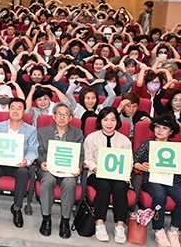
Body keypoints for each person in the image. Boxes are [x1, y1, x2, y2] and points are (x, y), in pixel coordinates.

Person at [0, 98, 39, 228]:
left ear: (24, 111)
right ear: (8, 110)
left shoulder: (31, 130)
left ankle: (17, 208)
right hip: (1, 163)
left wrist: (27, 160)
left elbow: (33, 151)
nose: (15, 111)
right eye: (12, 108)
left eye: (19, 108)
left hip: (18, 165)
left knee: (23, 173)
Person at [36, 102, 84, 238]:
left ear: (70, 118)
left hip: (68, 170)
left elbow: (80, 155)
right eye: (59, 114)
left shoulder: (78, 133)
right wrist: (41, 163)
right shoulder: (42, 132)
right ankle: (46, 219)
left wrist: (78, 168)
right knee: (47, 181)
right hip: (48, 169)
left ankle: (65, 222)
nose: (62, 117)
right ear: (54, 116)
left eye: (66, 115)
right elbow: (38, 152)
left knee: (69, 183)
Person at [84, 107, 132, 243]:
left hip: (117, 175)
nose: (109, 123)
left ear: (117, 121)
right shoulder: (91, 138)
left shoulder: (124, 141)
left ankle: (120, 225)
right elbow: (87, 158)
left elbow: (129, 161)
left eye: (113, 120)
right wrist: (95, 168)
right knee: (104, 187)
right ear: (100, 121)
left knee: (120, 188)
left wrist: (126, 174)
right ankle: (99, 223)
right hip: (97, 174)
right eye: (105, 120)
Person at [133, 114, 181, 247]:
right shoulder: (147, 144)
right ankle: (158, 229)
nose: (159, 130)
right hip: (152, 180)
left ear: (171, 131)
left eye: (164, 128)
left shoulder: (176, 148)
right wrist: (140, 166)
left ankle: (174, 229)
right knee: (160, 196)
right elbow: (134, 161)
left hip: (172, 180)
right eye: (157, 127)